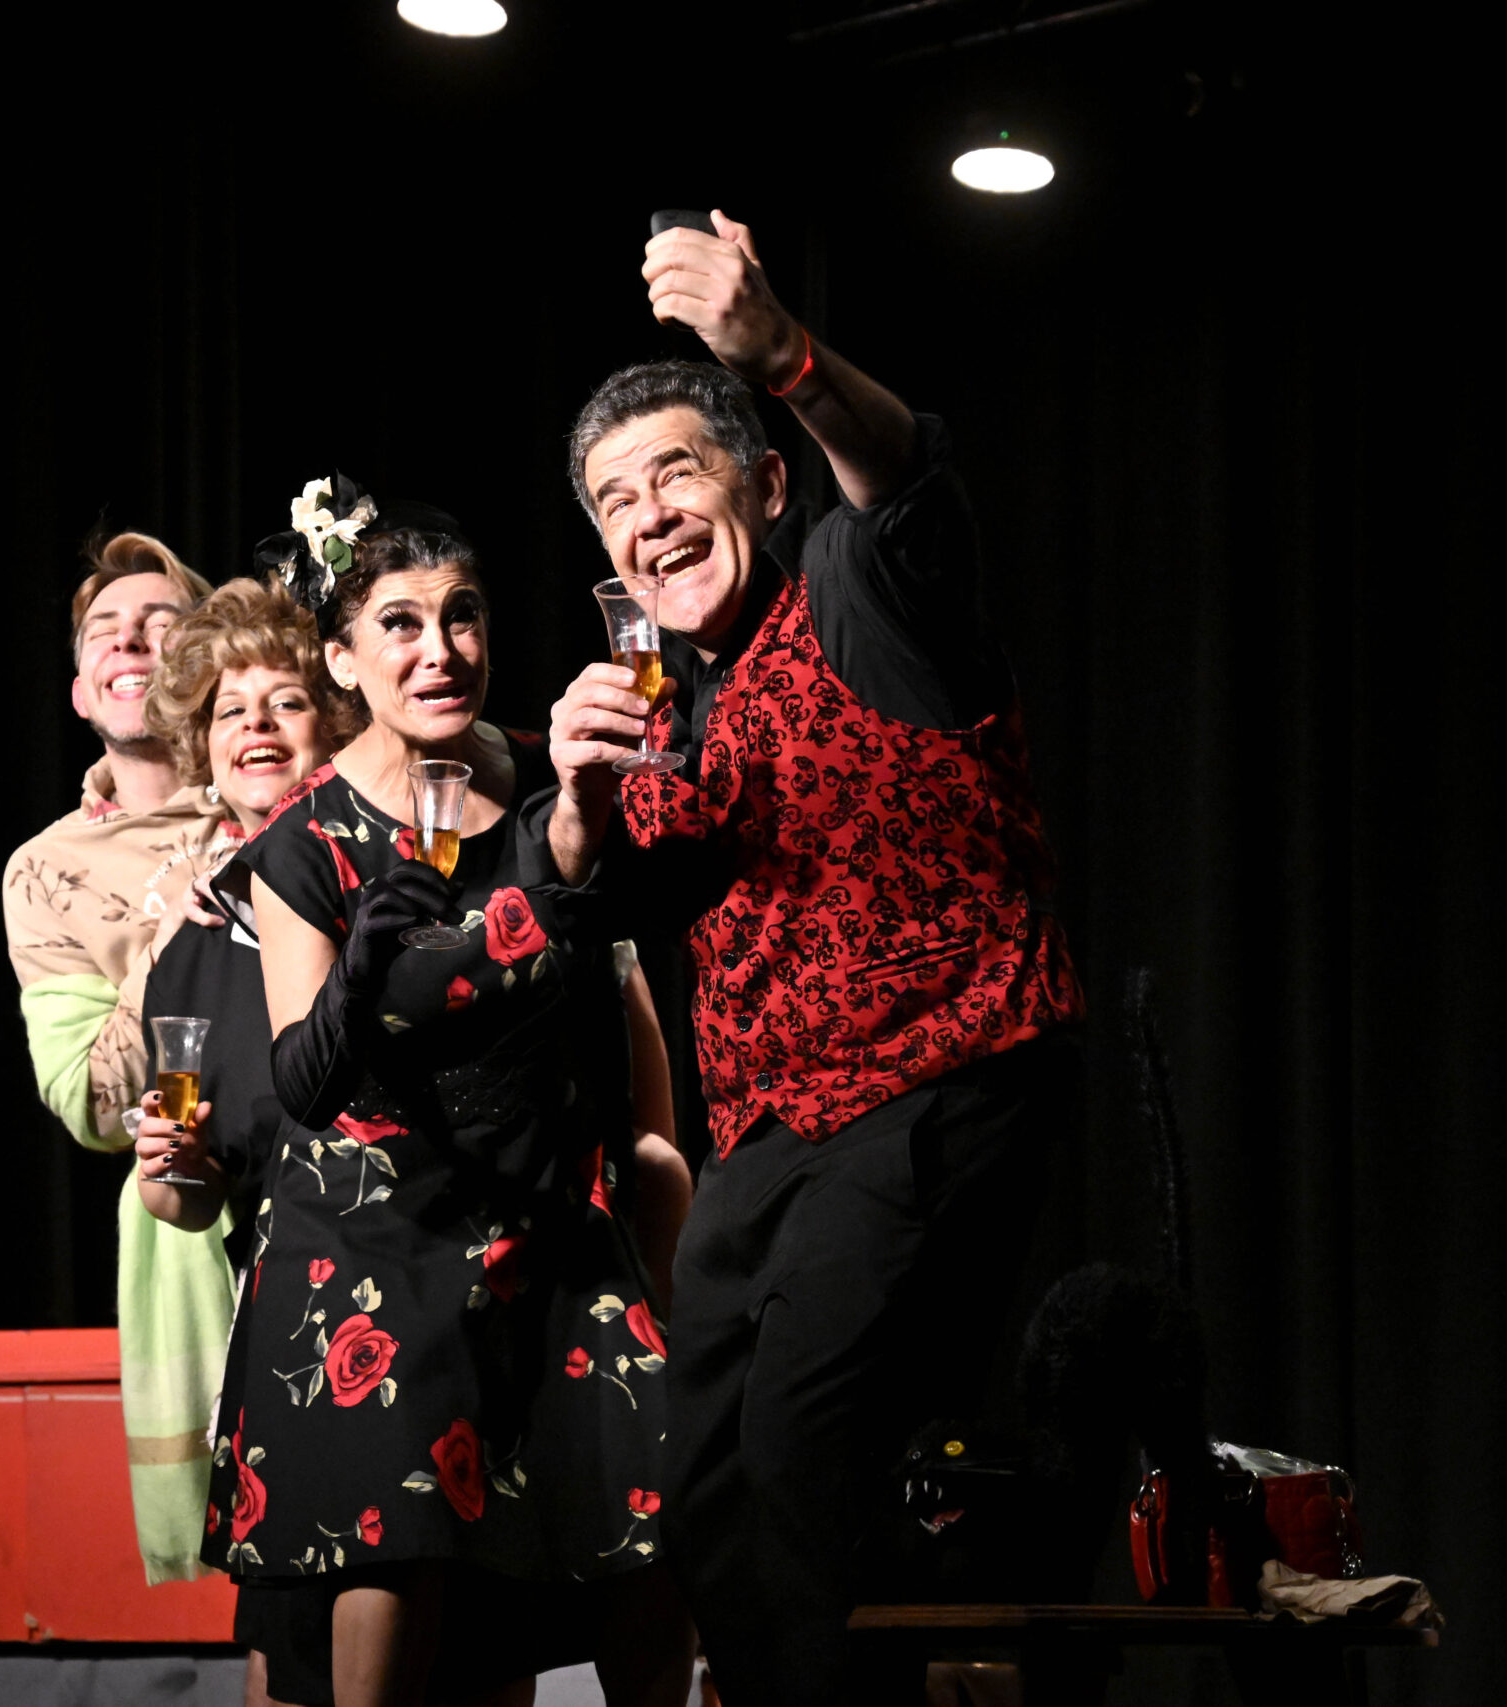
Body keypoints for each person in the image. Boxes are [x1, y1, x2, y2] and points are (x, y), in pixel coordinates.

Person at [544, 210, 1086, 1707]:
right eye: (613, 500)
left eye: (677, 473)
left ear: (764, 483)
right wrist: (581, 810)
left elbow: (902, 469)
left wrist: (779, 352)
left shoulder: (858, 590)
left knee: (803, 1454)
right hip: (774, 1133)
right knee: (702, 1479)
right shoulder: (665, 714)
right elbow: (581, 906)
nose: (648, 514)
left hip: (940, 1072)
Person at [187, 479, 694, 1707]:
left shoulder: (537, 778)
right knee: (400, 1543)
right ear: (344, 659)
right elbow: (304, 1084)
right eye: (402, 624)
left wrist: (650, 1162)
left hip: (546, 1216)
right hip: (375, 1239)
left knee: (645, 1526)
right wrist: (360, 981)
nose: (440, 649)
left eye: (461, 617)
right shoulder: (303, 842)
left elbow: (611, 965)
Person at [125, 577, 353, 1705]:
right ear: (203, 752)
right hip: (281, 1347)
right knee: (287, 1663)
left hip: (424, 1309)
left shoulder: (392, 890)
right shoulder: (191, 949)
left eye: (286, 701)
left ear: (339, 722)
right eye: (228, 710)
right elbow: (199, 1202)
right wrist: (176, 1177)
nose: (256, 723)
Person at [2, 531, 227, 1153]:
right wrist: (171, 943)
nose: (128, 641)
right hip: (193, 1231)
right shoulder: (45, 869)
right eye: (104, 633)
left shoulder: (277, 790)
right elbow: (93, 1108)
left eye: (160, 626)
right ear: (80, 693)